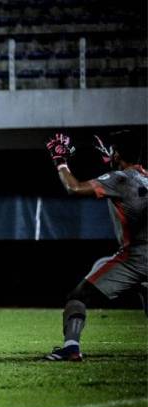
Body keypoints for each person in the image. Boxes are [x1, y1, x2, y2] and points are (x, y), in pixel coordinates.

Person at [44, 131, 147, 361]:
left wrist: (60, 162)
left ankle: (71, 347)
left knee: (79, 295)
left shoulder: (120, 178)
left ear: (118, 153)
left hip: (136, 257)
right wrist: (110, 161)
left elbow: (75, 188)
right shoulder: (144, 177)